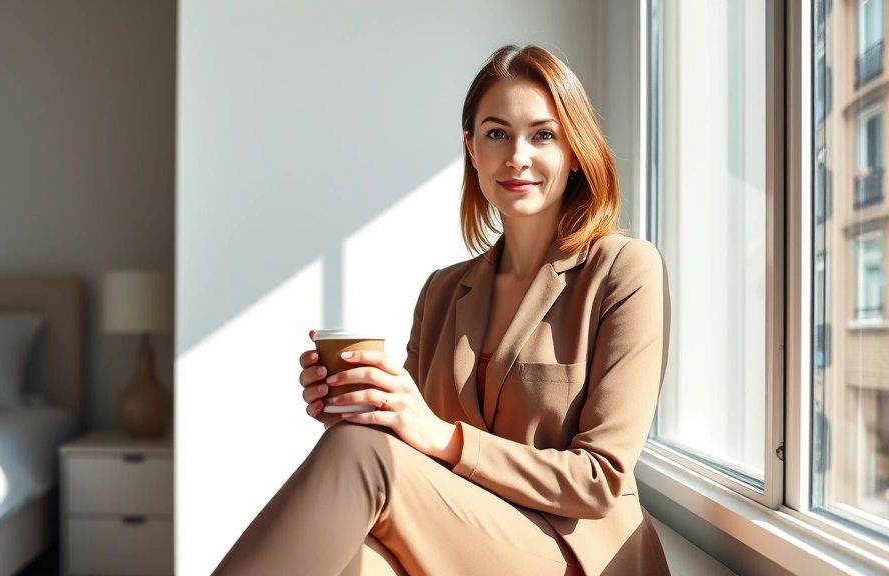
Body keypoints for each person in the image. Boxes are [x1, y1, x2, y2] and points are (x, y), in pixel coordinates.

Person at [213, 44, 671, 576]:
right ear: (471, 148)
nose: (517, 156)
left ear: (574, 150)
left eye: (543, 135)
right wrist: (365, 406)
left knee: (361, 452)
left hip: (576, 553)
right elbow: (410, 449)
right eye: (496, 134)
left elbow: (599, 481)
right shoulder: (442, 292)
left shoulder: (624, 269)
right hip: (464, 533)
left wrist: (440, 436)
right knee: (354, 549)